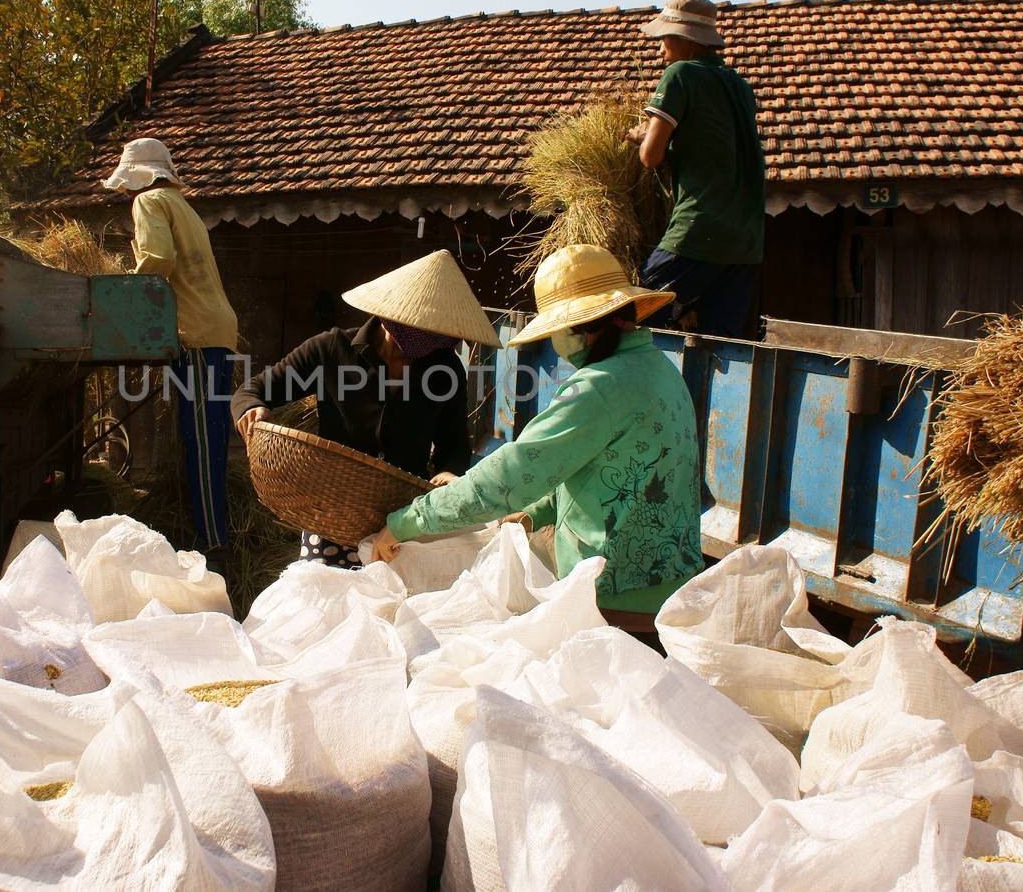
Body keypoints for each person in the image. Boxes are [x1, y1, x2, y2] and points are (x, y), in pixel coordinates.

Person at [371, 244, 704, 643]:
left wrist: (406, 521)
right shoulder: (659, 370)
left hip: (615, 598)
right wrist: (535, 514)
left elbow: (511, 473)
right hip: (669, 588)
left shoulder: (596, 388)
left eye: (556, 331)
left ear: (581, 327)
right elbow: (597, 467)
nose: (555, 342)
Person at [233, 250, 500, 568]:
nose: (427, 346)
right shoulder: (331, 350)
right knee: (323, 601)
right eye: (421, 330)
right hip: (331, 511)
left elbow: (453, 440)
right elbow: (252, 390)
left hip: (402, 518)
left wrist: (448, 471)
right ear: (392, 316)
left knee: (390, 610)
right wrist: (252, 409)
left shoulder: (444, 368)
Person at [105, 137, 240, 573]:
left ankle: (214, 546)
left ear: (139, 177)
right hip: (215, 329)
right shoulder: (183, 205)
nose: (126, 193)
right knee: (211, 435)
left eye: (127, 184)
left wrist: (124, 292)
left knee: (201, 440)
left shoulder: (148, 202)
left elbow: (158, 259)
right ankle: (213, 533)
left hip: (197, 333)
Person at [628, 0, 768, 340]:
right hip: (747, 240)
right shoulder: (739, 86)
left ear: (684, 38)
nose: (660, 48)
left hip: (699, 230)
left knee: (635, 319)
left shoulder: (680, 75)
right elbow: (712, 144)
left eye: (664, 38)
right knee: (720, 341)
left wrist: (640, 137)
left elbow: (650, 157)